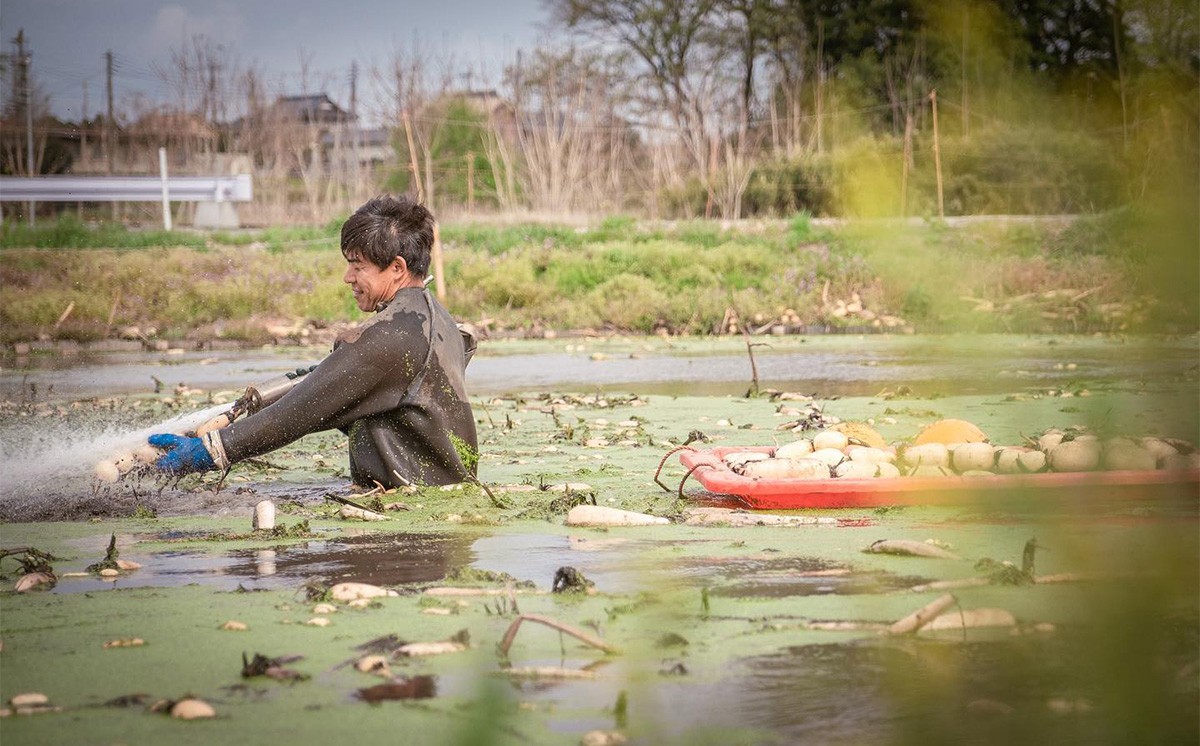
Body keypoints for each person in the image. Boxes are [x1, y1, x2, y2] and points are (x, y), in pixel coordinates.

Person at [148, 195, 478, 488]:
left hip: (411, 508)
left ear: (396, 268)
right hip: (437, 499)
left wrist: (211, 450)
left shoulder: (390, 336)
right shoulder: (435, 318)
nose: (348, 277)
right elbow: (326, 396)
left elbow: (300, 412)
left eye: (358, 266)